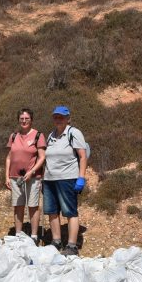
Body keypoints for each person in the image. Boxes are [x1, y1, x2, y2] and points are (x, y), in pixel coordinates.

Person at [43, 106, 88, 256]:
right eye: (56, 117)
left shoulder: (73, 133)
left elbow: (82, 156)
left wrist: (81, 177)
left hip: (67, 178)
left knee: (70, 212)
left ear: (68, 118)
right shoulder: (51, 135)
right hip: (49, 179)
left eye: (61, 117)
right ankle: (56, 242)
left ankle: (72, 246)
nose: (58, 119)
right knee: (52, 212)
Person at [5, 108, 46, 245]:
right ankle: (18, 234)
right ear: (18, 120)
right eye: (21, 118)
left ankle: (34, 235)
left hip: (33, 177)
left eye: (26, 118)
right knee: (18, 205)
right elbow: (9, 157)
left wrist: (32, 171)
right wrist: (6, 176)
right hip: (15, 176)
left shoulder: (38, 135)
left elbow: (42, 157)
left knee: (33, 205)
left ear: (31, 120)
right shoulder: (13, 136)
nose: (24, 121)